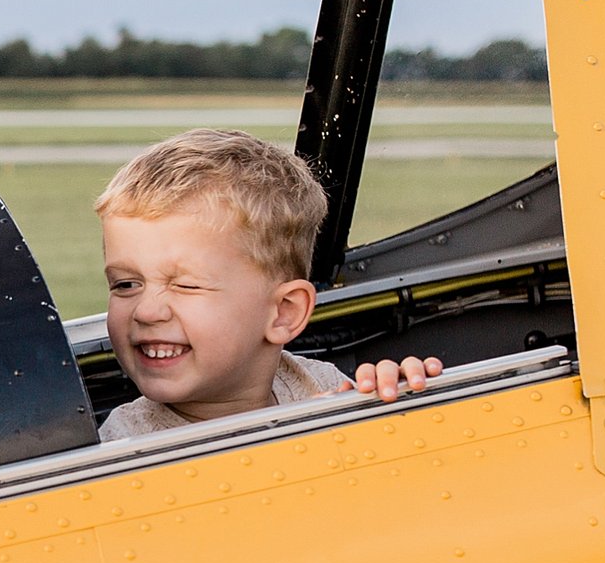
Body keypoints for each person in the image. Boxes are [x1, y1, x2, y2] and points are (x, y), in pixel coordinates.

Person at [94, 132, 443, 440]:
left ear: (284, 312)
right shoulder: (122, 447)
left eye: (185, 286)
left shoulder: (321, 384)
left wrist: (397, 400)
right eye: (125, 284)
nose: (146, 311)